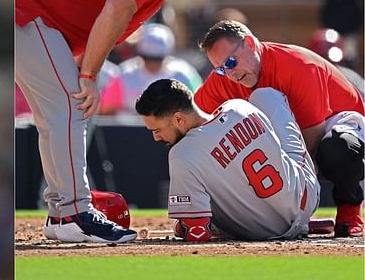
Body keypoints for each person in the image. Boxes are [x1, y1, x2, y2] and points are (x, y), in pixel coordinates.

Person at [16, 0, 227, 242]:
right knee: (70, 108)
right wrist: (88, 74)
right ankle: (74, 213)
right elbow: (117, 6)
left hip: (34, 11)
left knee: (56, 115)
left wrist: (87, 69)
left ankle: (63, 212)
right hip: (31, 10)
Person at [194, 20, 364, 237]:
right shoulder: (225, 79)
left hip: (335, 122)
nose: (230, 74)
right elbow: (195, 121)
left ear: (250, 44)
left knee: (338, 147)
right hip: (287, 134)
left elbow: (312, 139)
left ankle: (349, 212)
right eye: (219, 69)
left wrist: (296, 207)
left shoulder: (298, 65)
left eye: (230, 63)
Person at [136, 79, 320, 241]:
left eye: (156, 130)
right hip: (306, 198)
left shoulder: (182, 154)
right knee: (266, 95)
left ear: (178, 119)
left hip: (261, 232)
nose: (156, 138)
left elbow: (196, 232)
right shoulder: (240, 107)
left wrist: (178, 226)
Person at [100, 23, 202, 115]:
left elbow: (200, 107)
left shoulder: (185, 74)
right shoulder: (124, 75)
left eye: (158, 59)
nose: (152, 65)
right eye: (148, 58)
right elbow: (105, 110)